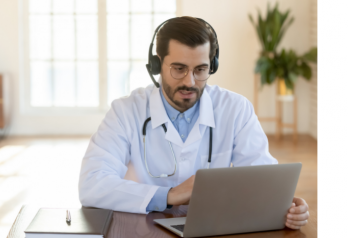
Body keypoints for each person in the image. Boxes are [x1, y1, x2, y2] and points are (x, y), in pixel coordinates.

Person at [78, 16, 309, 230]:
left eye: (200, 70)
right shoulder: (126, 111)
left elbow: (265, 180)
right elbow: (92, 183)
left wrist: (287, 207)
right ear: (157, 65)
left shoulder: (236, 109)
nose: (190, 82)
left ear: (212, 65)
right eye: (178, 69)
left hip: (217, 228)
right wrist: (169, 195)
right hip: (148, 229)